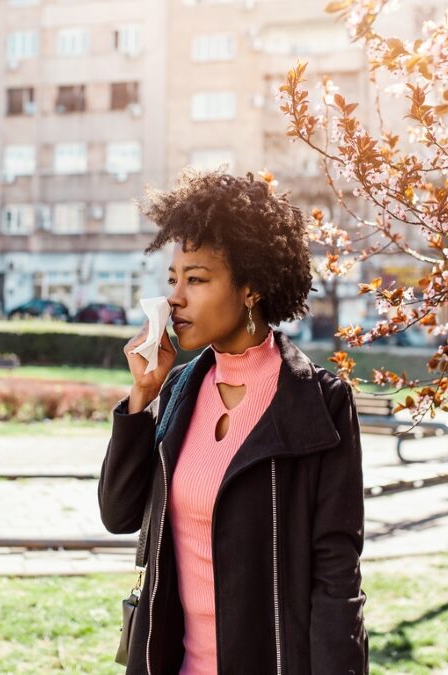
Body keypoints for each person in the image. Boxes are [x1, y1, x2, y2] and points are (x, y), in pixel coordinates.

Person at [99, 171, 368, 675]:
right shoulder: (178, 388)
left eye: (196, 279)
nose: (175, 298)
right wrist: (142, 396)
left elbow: (336, 577)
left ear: (251, 288)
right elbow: (118, 514)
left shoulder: (320, 402)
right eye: (173, 279)